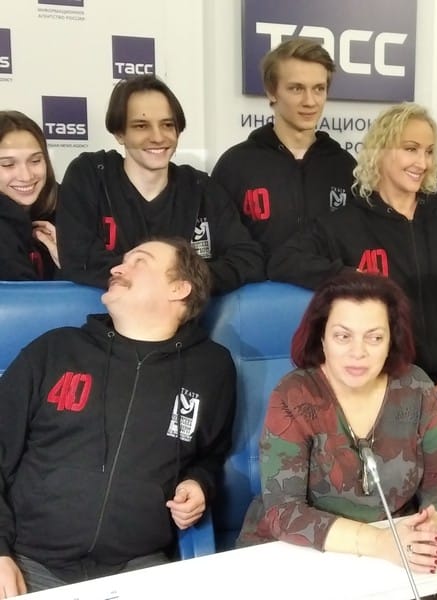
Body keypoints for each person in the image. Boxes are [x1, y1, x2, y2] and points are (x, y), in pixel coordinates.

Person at [0, 237, 236, 595]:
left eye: (139, 261)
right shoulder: (56, 349)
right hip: (25, 561)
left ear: (179, 288)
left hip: (136, 567)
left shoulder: (212, 368)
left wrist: (198, 483)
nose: (117, 268)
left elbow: (211, 455)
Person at [269, 103, 437, 424]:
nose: (422, 162)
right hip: (377, 390)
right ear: (380, 151)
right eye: (410, 149)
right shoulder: (345, 223)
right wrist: (351, 277)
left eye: (429, 151)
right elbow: (283, 260)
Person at [237, 271, 437, 574]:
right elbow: (284, 511)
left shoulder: (416, 387)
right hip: (301, 554)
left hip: (394, 551)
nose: (358, 353)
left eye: (375, 337)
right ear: (322, 337)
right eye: (343, 336)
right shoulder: (294, 394)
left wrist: (430, 528)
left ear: (391, 341)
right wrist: (381, 543)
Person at [57, 74, 263, 294]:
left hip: (188, 316)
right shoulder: (90, 176)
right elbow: (79, 260)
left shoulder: (202, 188)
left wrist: (180, 281)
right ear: (119, 133)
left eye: (167, 125)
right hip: (104, 314)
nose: (158, 137)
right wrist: (173, 280)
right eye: (141, 126)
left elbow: (247, 260)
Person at [211, 38, 356, 276]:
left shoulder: (345, 166)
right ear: (271, 92)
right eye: (296, 88)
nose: (310, 101)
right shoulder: (235, 166)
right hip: (256, 298)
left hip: (329, 296)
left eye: (318, 89)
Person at [0, 110, 59, 280]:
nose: (26, 176)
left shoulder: (69, 209)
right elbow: (25, 296)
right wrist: (73, 265)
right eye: (8, 164)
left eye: (35, 161)